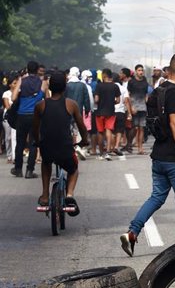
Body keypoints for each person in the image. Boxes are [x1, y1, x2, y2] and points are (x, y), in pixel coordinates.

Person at [120, 52, 175, 257]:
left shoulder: (158, 90)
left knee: (156, 197)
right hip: (174, 157)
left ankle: (132, 233)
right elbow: (174, 123)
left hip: (159, 155)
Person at [32, 72, 89, 214]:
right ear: (65, 88)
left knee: (46, 163)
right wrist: (85, 141)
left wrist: (37, 142)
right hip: (65, 148)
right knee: (73, 169)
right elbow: (81, 126)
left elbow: (35, 128)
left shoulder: (41, 105)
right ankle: (69, 194)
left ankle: (45, 195)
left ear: (50, 87)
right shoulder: (71, 105)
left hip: (47, 147)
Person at [11, 60, 47, 179]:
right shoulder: (42, 83)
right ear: (37, 70)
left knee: (20, 142)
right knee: (33, 143)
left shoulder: (23, 81)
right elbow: (46, 99)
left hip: (22, 115)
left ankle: (18, 169)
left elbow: (13, 97)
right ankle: (29, 171)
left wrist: (20, 82)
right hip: (35, 116)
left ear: (27, 69)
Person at [93, 68, 120, 161]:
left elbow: (96, 99)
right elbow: (118, 100)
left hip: (100, 112)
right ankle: (108, 152)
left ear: (104, 76)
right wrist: (111, 102)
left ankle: (101, 153)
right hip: (111, 112)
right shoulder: (115, 86)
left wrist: (99, 102)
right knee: (109, 131)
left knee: (100, 132)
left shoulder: (99, 86)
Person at [127, 64, 149, 155]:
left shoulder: (145, 81)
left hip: (143, 107)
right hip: (134, 107)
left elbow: (146, 94)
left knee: (141, 128)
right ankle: (129, 143)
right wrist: (131, 107)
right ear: (136, 71)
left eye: (142, 70)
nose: (141, 72)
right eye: (139, 70)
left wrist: (146, 102)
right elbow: (128, 95)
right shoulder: (131, 82)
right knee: (134, 128)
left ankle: (140, 148)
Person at [2, 73, 18, 164]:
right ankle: (9, 154)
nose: (16, 85)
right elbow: (7, 106)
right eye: (14, 83)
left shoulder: (19, 92)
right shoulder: (6, 93)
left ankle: (14, 156)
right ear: (10, 85)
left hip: (17, 117)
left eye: (16, 83)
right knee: (8, 137)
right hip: (8, 117)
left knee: (15, 137)